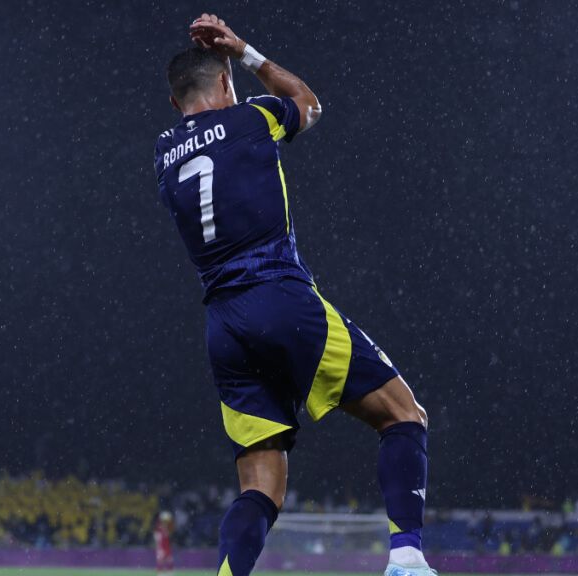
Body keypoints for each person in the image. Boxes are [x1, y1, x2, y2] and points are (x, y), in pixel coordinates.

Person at [153, 14, 434, 576]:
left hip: (223, 327)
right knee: (404, 417)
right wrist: (247, 52)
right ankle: (407, 562)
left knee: (262, 486)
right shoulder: (252, 118)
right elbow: (309, 102)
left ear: (174, 100)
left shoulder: (163, 158)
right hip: (279, 297)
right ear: (228, 87)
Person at [154, 510, 175, 576]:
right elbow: (156, 537)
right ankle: (160, 573)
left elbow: (169, 534)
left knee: (169, 559)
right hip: (161, 547)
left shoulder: (168, 527)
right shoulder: (159, 527)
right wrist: (158, 546)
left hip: (166, 546)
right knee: (161, 560)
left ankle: (169, 573)